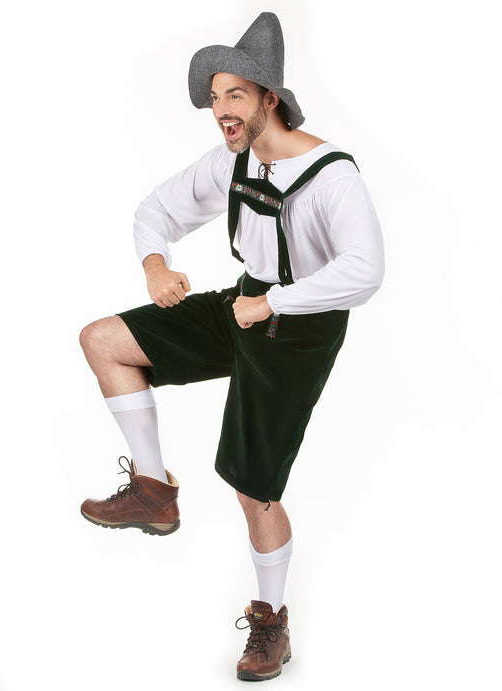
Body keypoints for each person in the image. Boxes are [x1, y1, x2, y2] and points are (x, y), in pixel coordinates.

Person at [79, 12, 384, 682]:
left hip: (300, 328)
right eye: (215, 96)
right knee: (103, 340)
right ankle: (154, 493)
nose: (220, 110)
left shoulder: (331, 175)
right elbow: (156, 210)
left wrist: (272, 303)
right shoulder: (234, 159)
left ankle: (271, 621)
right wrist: (155, 266)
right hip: (244, 302)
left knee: (253, 488)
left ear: (269, 98)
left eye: (235, 95)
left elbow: (364, 271)